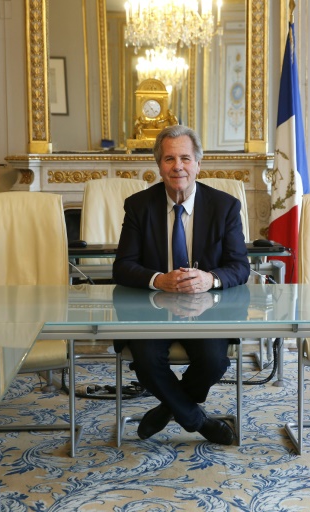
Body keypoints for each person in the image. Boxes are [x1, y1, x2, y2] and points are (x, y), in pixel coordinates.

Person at [112, 125, 250, 445]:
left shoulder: (224, 207)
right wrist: (158, 279)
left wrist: (210, 279)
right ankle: (197, 420)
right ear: (158, 165)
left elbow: (239, 266)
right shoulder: (138, 206)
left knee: (215, 360)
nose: (178, 167)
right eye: (169, 159)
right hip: (151, 310)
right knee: (145, 360)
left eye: (186, 158)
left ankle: (166, 410)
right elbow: (123, 267)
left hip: (206, 311)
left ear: (198, 164)